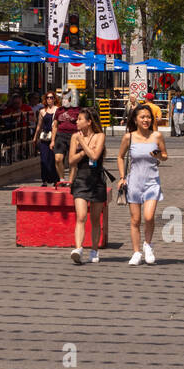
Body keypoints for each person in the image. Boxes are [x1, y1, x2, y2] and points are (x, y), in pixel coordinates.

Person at [118, 102, 167, 265]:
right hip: (134, 182)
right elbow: (120, 156)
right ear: (136, 119)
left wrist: (159, 155)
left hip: (152, 181)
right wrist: (122, 177)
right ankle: (136, 252)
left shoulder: (156, 136)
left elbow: (165, 156)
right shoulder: (129, 137)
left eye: (148, 117)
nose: (146, 120)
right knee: (135, 220)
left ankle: (148, 245)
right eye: (142, 117)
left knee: (149, 216)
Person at [67, 107, 108, 264]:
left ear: (89, 122)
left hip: (96, 180)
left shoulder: (99, 136)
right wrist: (84, 151)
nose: (76, 122)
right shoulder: (74, 137)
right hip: (81, 180)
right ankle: (78, 248)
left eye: (80, 119)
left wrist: (83, 143)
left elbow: (95, 155)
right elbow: (71, 160)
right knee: (81, 216)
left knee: (96, 218)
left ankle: (94, 250)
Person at [52, 87, 81, 183]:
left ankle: (71, 181)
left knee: (72, 161)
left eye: (66, 99)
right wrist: (52, 140)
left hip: (73, 136)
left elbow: (81, 125)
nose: (64, 101)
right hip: (60, 135)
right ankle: (62, 178)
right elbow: (55, 126)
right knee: (58, 158)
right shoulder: (59, 110)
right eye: (63, 99)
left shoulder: (77, 110)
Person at [34, 92, 60, 185]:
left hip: (55, 137)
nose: (50, 99)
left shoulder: (57, 110)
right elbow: (39, 126)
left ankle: (55, 179)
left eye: (51, 97)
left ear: (54, 99)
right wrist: (35, 138)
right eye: (48, 98)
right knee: (43, 159)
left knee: (53, 159)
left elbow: (57, 125)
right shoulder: (42, 111)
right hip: (44, 138)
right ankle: (44, 180)